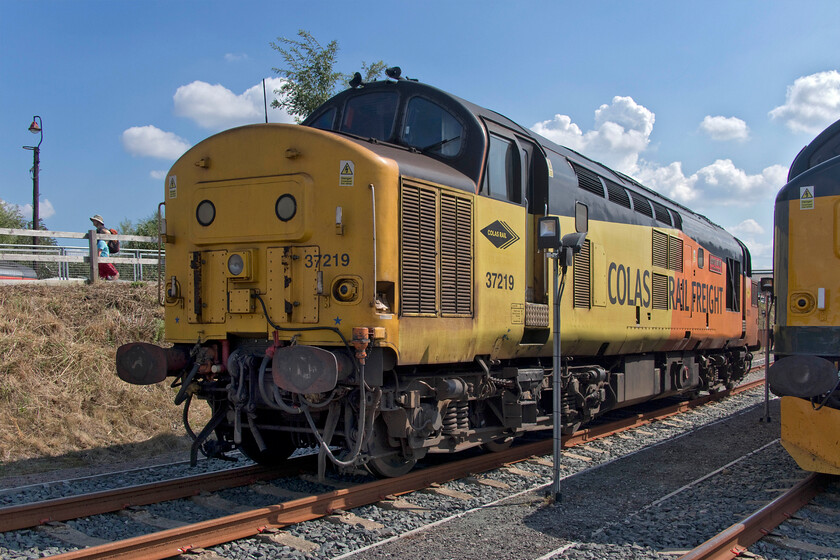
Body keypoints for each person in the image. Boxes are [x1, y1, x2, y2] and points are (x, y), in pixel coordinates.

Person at [90, 214, 119, 281]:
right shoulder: (99, 231)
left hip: (102, 259)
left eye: (94, 221)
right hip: (104, 259)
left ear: (98, 221)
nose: (93, 222)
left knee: (105, 276)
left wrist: (105, 241)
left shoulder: (101, 230)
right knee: (107, 276)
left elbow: (107, 233)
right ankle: (111, 285)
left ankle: (109, 284)